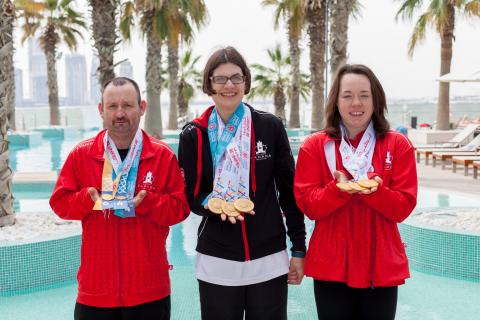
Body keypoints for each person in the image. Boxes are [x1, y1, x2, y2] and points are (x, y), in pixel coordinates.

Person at [178, 46, 306, 320]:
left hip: (269, 259)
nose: (229, 85)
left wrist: (298, 248)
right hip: (217, 261)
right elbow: (191, 195)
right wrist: (212, 205)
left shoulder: (269, 127)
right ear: (209, 85)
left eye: (236, 77)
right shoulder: (194, 134)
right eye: (220, 78)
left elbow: (289, 193)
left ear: (246, 82)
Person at [49, 77, 190, 320]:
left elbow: (180, 209)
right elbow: (59, 203)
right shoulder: (82, 154)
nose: (120, 113)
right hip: (95, 290)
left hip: (149, 291)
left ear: (142, 108)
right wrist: (87, 199)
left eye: (127, 105)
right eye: (112, 106)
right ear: (101, 110)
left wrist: (147, 203)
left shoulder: (162, 156)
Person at [294, 64, 417, 320]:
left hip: (379, 264)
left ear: (376, 100)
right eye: (347, 95)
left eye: (364, 95)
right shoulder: (316, 146)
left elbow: (403, 207)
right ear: (336, 101)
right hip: (332, 263)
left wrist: (375, 189)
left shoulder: (397, 144)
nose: (356, 103)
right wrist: (338, 190)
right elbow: (308, 205)